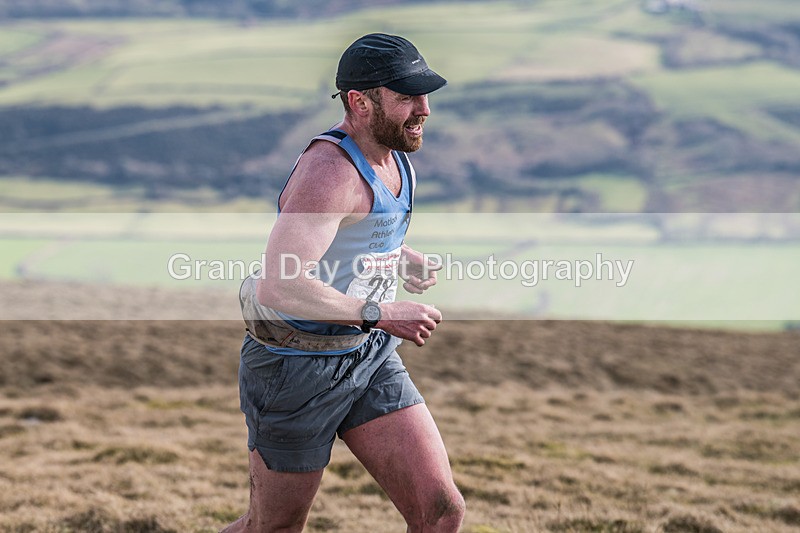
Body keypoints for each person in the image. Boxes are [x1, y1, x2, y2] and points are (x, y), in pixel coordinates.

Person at [223, 34, 465, 532]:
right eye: (406, 97)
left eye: (424, 95)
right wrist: (381, 312)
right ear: (359, 101)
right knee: (272, 529)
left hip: (367, 355)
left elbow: (351, 239)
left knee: (441, 513)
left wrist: (399, 257)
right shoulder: (329, 174)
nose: (423, 109)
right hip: (295, 368)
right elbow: (281, 284)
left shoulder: (396, 155)